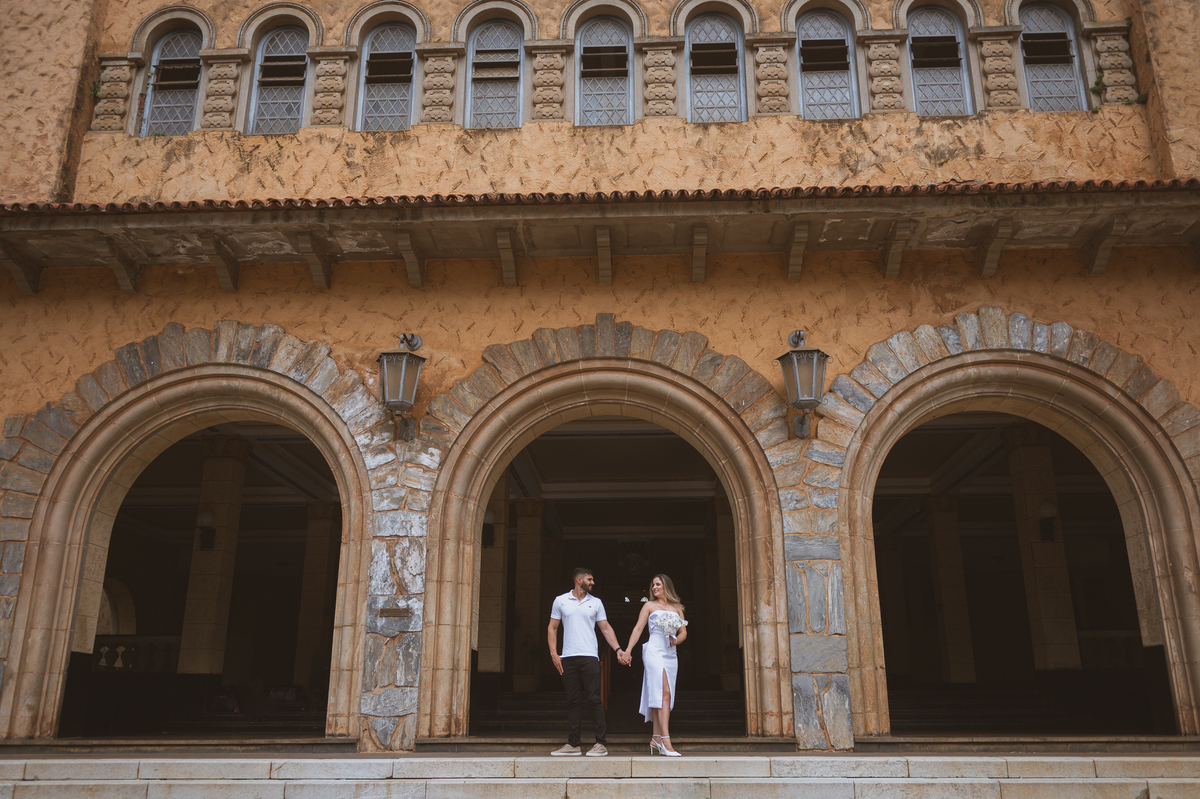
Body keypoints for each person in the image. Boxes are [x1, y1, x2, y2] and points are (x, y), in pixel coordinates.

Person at [547, 567, 626, 756]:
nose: (593, 583)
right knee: (572, 700)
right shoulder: (561, 601)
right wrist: (553, 654)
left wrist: (618, 650)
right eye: (590, 579)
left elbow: (605, 628)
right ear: (579, 580)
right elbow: (552, 628)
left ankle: (601, 743)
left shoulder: (596, 602)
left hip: (590, 656)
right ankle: (573, 745)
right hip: (568, 657)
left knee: (594, 699)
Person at [619, 573, 688, 756]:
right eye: (653, 585)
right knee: (662, 692)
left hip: (670, 653)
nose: (654, 587)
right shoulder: (649, 606)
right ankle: (666, 740)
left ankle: (656, 738)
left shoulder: (677, 608)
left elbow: (683, 632)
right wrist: (627, 650)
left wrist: (675, 641)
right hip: (654, 651)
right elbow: (638, 628)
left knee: (666, 693)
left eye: (658, 584)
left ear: (666, 585)